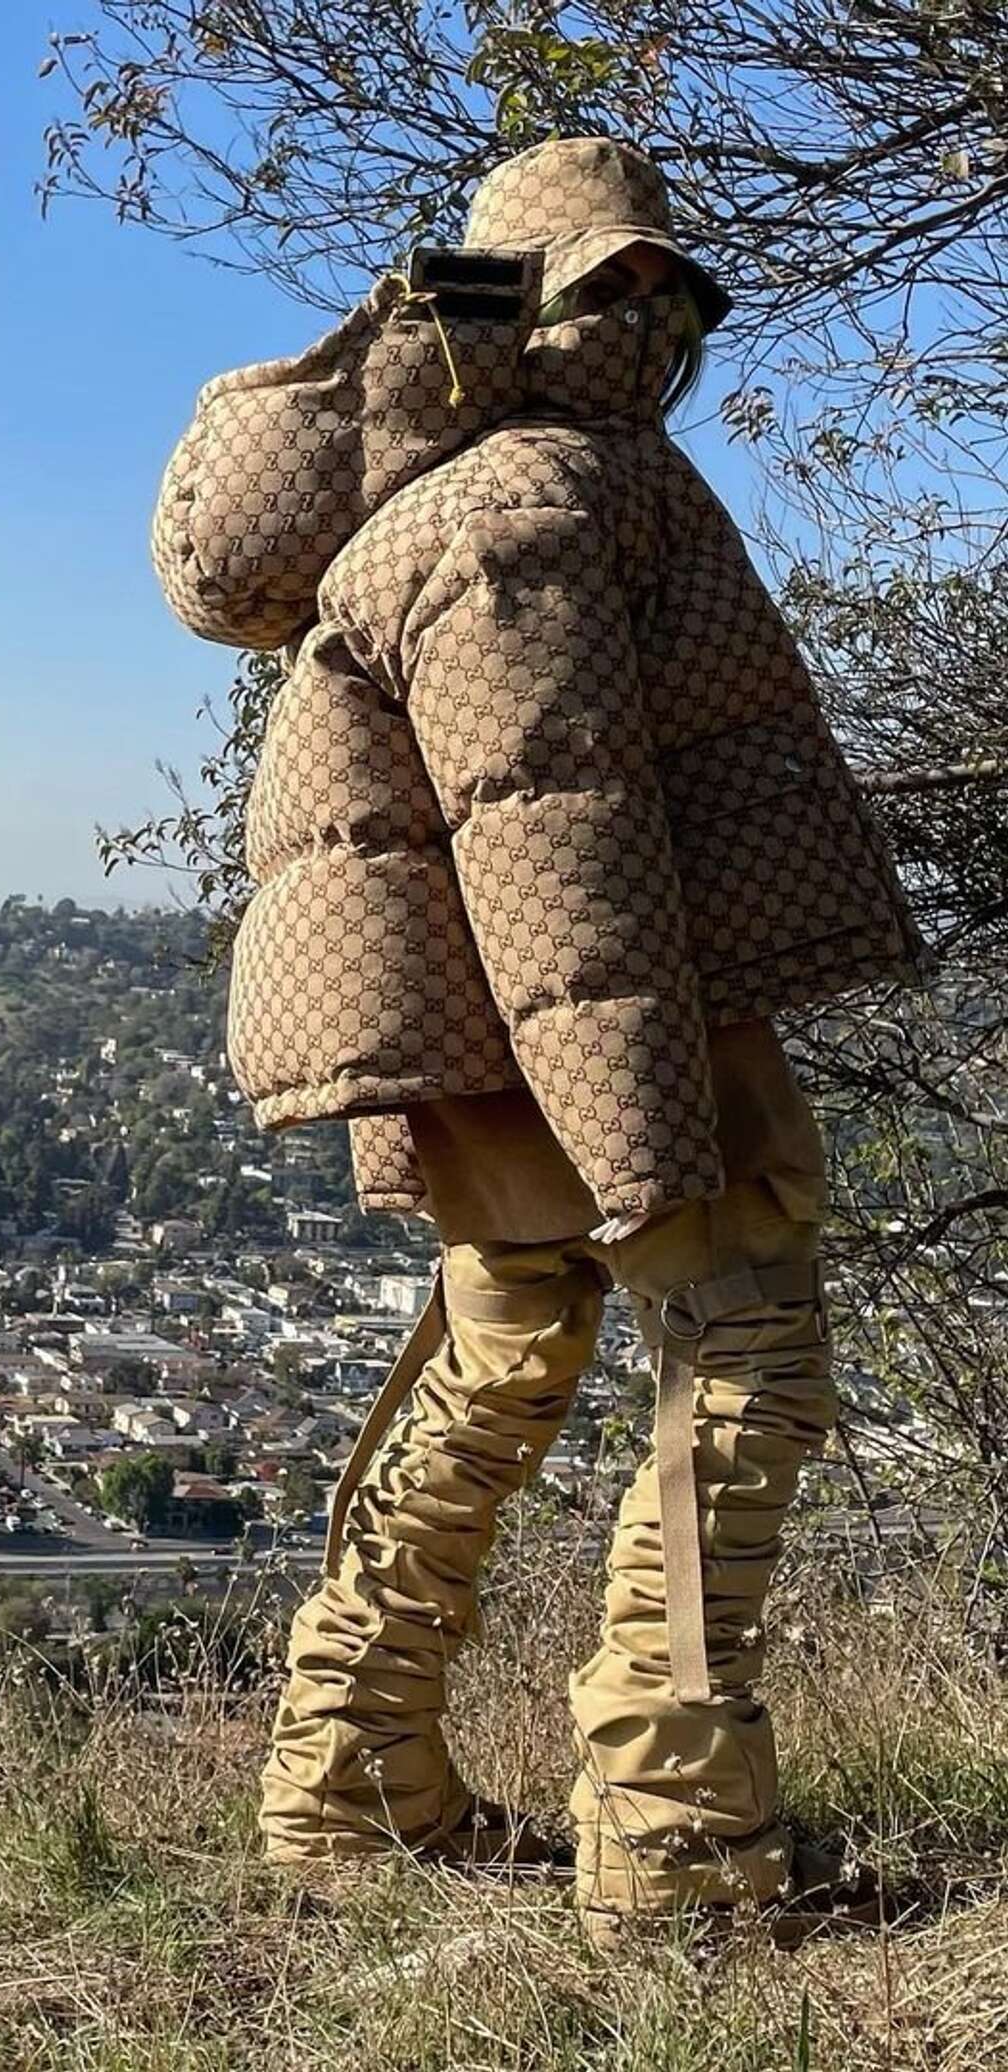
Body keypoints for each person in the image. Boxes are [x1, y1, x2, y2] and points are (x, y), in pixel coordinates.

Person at [151, 136, 923, 1944]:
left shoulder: (453, 497)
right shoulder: (543, 500)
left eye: (668, 290)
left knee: (495, 1368)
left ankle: (349, 1781)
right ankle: (672, 1839)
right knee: (745, 1359)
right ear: (521, 306)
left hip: (507, 1046)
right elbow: (551, 828)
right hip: (613, 1030)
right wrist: (645, 1132)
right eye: (610, 286)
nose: (649, 324)